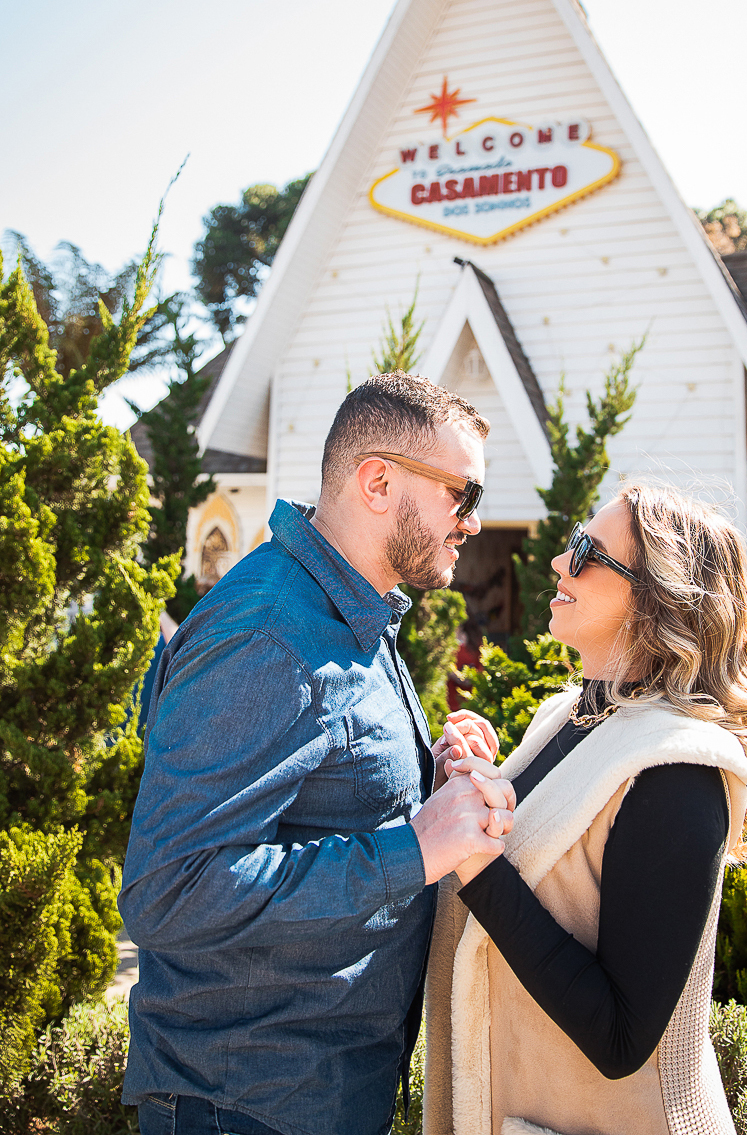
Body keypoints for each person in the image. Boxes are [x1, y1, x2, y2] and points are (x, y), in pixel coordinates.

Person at [119, 372, 514, 1135]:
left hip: (313, 1095)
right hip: (246, 1104)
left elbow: (317, 794)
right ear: (377, 482)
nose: (470, 522)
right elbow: (170, 891)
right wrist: (415, 850)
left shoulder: (352, 611)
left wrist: (423, 782)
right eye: (462, 495)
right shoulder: (268, 634)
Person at [424, 482, 747, 1135]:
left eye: (585, 552)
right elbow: (536, 869)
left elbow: (623, 1038)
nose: (558, 564)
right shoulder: (566, 714)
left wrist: (480, 864)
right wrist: (464, 782)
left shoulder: (678, 769)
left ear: (657, 600)